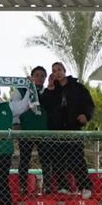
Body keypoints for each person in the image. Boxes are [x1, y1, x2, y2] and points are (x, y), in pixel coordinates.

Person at [40, 62, 95, 197]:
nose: (57, 72)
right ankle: (63, 187)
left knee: (76, 159)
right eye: (54, 71)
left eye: (59, 69)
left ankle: (85, 187)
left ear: (64, 71)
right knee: (57, 160)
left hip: (73, 128)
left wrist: (86, 115)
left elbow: (89, 104)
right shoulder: (51, 89)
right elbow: (45, 106)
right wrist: (50, 89)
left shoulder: (77, 87)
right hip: (56, 130)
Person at [15, 66, 49, 195]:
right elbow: (14, 107)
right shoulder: (21, 90)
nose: (40, 78)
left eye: (42, 76)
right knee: (24, 160)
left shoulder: (48, 92)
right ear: (32, 77)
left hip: (43, 132)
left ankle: (47, 187)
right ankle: (23, 188)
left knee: (46, 160)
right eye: (37, 75)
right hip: (26, 131)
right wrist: (16, 124)